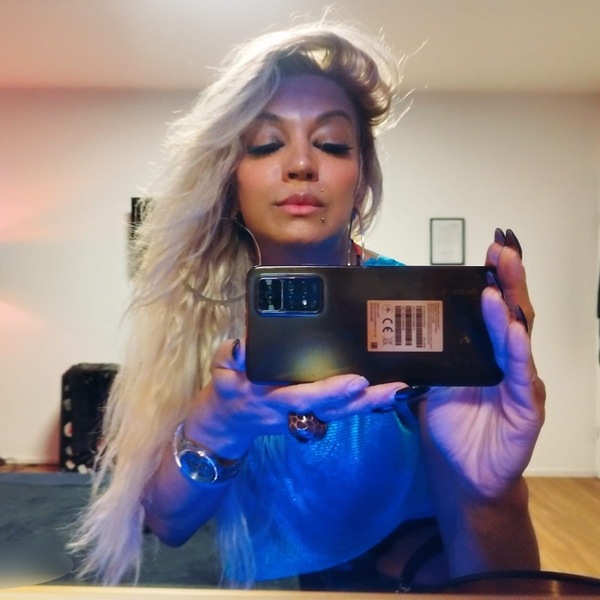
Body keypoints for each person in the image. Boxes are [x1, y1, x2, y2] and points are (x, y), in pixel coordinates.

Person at [70, 17, 545, 591]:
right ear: (230, 179)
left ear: (360, 178)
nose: (301, 164)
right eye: (266, 144)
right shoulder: (195, 314)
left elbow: (496, 575)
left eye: (332, 144)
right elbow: (167, 523)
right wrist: (219, 423)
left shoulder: (410, 307)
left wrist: (490, 493)